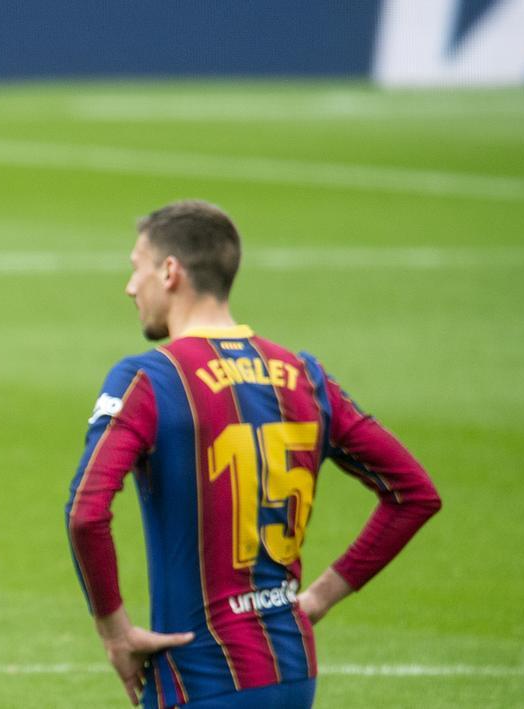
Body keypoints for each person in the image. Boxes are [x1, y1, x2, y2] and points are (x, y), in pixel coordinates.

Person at [65, 200, 442, 708]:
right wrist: (317, 600)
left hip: (200, 677)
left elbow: (86, 512)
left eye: (137, 268)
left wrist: (115, 634)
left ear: (170, 271)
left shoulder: (150, 379)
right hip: (292, 670)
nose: (131, 287)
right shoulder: (304, 376)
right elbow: (413, 494)